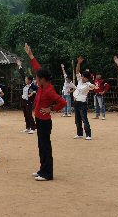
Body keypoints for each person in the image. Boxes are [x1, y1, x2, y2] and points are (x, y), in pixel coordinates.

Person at [24, 43, 67, 181]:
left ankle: (47, 173)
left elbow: (63, 102)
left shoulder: (49, 89)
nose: (36, 79)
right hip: (39, 119)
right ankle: (43, 170)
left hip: (44, 121)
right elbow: (37, 67)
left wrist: (51, 109)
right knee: (41, 146)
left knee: (45, 146)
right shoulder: (43, 84)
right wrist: (30, 55)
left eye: (37, 78)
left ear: (42, 79)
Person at [73, 56, 97, 140]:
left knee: (84, 119)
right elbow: (77, 71)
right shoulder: (79, 81)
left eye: (84, 77)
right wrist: (78, 63)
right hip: (76, 102)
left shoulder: (88, 84)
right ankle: (79, 133)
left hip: (82, 103)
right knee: (77, 119)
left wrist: (94, 85)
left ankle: (88, 134)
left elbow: (93, 86)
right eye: (82, 76)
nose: (82, 77)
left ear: (87, 78)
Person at [17, 59, 38, 134]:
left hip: (29, 101)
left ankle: (33, 128)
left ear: (30, 80)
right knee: (25, 114)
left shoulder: (33, 86)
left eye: (26, 79)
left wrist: (33, 93)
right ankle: (28, 127)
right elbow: (22, 74)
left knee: (29, 114)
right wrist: (20, 65)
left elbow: (38, 90)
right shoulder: (25, 84)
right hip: (24, 100)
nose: (25, 79)